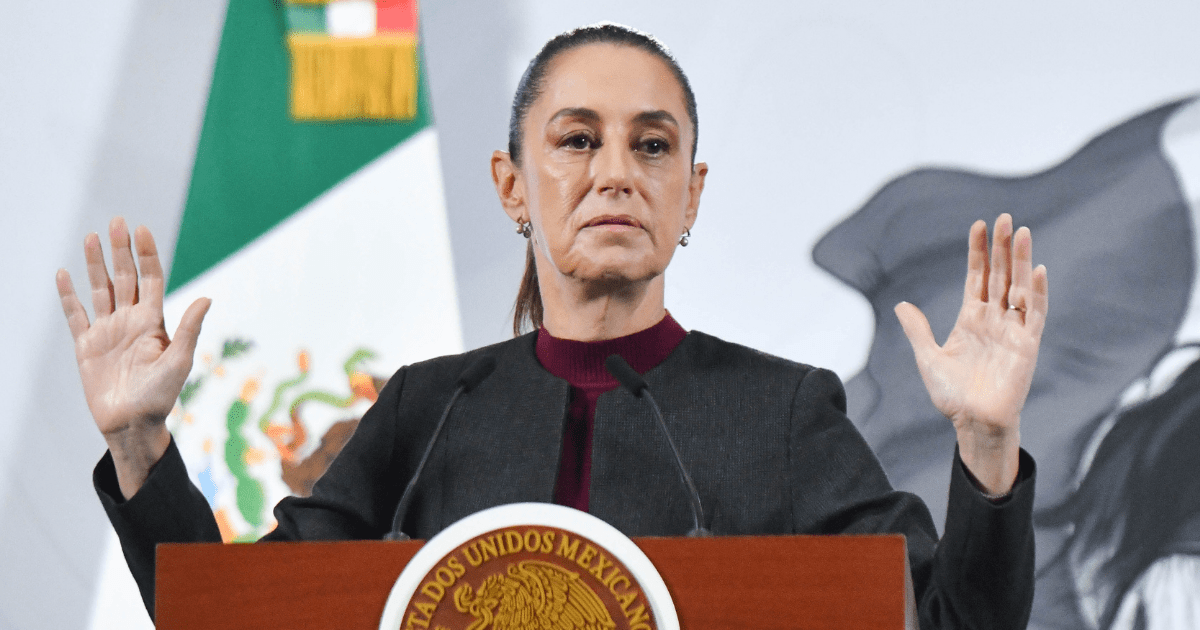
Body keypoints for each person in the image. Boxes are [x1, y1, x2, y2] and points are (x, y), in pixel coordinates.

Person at [57, 24, 1046, 628]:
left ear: (690, 194)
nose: (615, 172)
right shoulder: (427, 410)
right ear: (512, 186)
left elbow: (954, 625)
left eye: (651, 146)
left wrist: (988, 446)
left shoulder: (781, 412)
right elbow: (232, 622)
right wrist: (140, 444)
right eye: (577, 139)